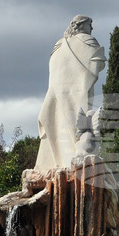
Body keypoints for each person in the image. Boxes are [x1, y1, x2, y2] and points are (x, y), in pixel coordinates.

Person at [35, 15, 107, 172]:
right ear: (81, 26)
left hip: (55, 96)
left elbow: (52, 69)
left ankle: (58, 164)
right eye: (90, 25)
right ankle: (72, 164)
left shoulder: (58, 46)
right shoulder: (87, 40)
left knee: (59, 124)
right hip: (78, 92)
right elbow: (99, 62)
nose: (92, 29)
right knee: (77, 126)